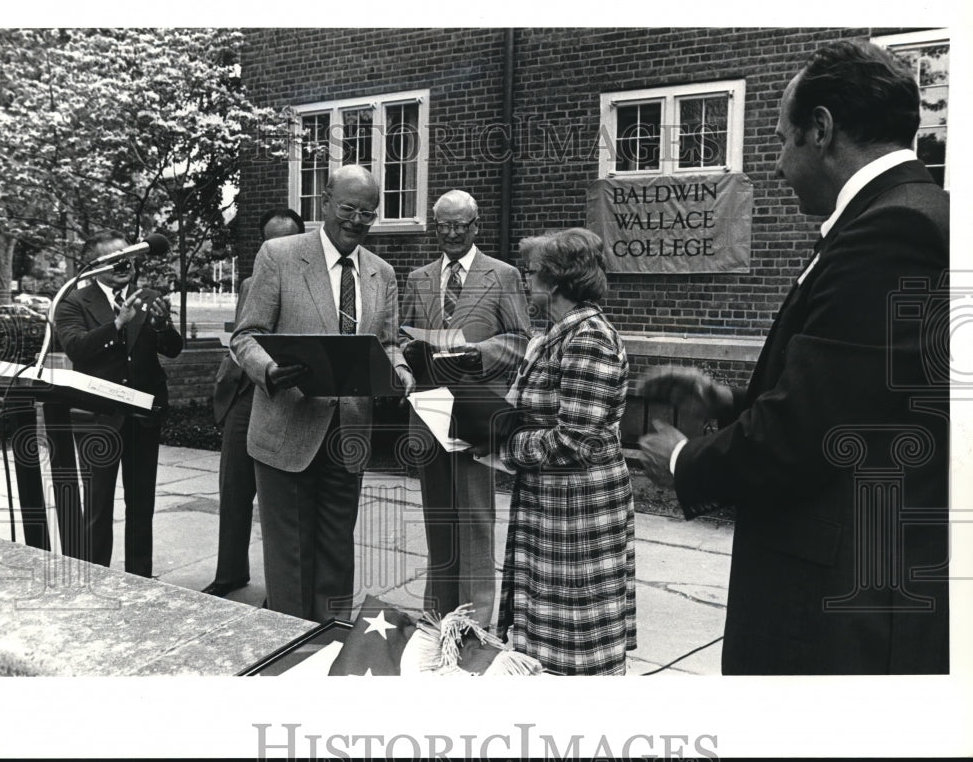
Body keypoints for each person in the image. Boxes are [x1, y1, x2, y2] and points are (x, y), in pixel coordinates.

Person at [638, 40, 949, 675]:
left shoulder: (892, 231)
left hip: (839, 607)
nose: (777, 167)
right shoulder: (912, 212)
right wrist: (729, 403)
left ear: (823, 129)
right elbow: (855, 395)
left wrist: (682, 459)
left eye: (783, 140)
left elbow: (810, 432)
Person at [230, 165, 415, 621]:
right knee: (290, 556)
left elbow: (388, 342)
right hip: (286, 428)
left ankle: (330, 638)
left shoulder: (382, 273)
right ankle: (290, 648)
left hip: (348, 433)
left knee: (336, 550)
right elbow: (245, 336)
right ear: (325, 201)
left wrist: (401, 370)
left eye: (368, 214)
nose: (356, 220)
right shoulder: (279, 255)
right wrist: (270, 371)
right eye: (348, 208)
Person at [496, 227, 636, 675]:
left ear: (555, 281)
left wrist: (506, 445)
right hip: (552, 504)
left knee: (576, 637)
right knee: (544, 632)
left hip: (578, 511)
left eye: (531, 272)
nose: (525, 279)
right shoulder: (558, 333)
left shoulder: (588, 337)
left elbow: (577, 440)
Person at [400, 190, 531, 627]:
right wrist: (411, 353)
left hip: (476, 413)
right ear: (435, 227)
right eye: (444, 225)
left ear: (476, 226)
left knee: (475, 518)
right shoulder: (418, 277)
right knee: (438, 515)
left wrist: (482, 354)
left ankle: (474, 621)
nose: (453, 233)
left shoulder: (503, 275)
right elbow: (401, 338)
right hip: (430, 409)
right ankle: (438, 613)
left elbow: (520, 339)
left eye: (461, 225)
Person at [54, 229, 183, 577]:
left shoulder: (149, 296)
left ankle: (140, 578)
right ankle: (97, 578)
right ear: (93, 267)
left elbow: (171, 348)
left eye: (126, 254)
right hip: (98, 418)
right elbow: (76, 348)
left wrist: (162, 325)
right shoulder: (74, 302)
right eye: (113, 259)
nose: (124, 263)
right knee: (97, 505)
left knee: (142, 504)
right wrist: (116, 324)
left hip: (142, 417)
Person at [201, 208, 305, 598]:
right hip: (244, 395)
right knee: (233, 491)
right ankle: (230, 573)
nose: (274, 248)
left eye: (284, 240)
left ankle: (281, 588)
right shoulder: (250, 283)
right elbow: (244, 337)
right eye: (267, 241)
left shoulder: (311, 284)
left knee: (279, 502)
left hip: (284, 399)